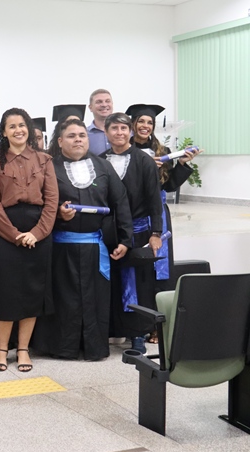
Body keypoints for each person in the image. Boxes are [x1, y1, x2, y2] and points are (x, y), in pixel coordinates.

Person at [31, 119, 132, 361]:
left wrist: (126, 239)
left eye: (82, 135)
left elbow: (120, 201)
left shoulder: (103, 166)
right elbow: (37, 202)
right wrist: (58, 213)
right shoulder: (49, 167)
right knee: (64, 299)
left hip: (94, 248)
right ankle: (62, 348)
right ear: (59, 141)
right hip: (60, 248)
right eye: (71, 136)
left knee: (93, 299)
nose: (78, 139)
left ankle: (93, 347)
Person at [0, 108, 58, 373]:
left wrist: (37, 233)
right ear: (4, 132)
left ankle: (24, 349)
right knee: (5, 291)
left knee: (32, 291)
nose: (18, 130)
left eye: (22, 125)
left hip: (38, 232)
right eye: (12, 126)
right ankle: (3, 348)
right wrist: (14, 235)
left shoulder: (44, 160)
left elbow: (52, 201)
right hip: (5, 233)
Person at [127, 103, 201, 344]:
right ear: (133, 124)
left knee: (159, 270)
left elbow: (168, 186)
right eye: (141, 121)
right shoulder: (125, 151)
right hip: (133, 216)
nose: (145, 126)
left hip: (158, 215)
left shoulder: (162, 150)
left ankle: (158, 326)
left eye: (149, 122)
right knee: (137, 271)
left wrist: (182, 164)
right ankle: (136, 324)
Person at [101, 112, 164, 355]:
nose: (119, 133)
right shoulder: (99, 160)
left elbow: (154, 200)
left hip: (138, 231)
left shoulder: (144, 161)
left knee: (136, 284)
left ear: (130, 131)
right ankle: (112, 329)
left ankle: (137, 333)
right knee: (112, 281)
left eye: (123, 128)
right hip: (108, 232)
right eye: (114, 128)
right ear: (106, 132)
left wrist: (155, 232)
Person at [87, 89, 114, 156]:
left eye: (107, 101)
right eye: (99, 102)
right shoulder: (84, 135)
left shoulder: (127, 132)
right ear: (90, 107)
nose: (104, 105)